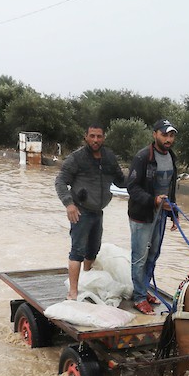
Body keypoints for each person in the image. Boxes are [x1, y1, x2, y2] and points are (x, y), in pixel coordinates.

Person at [54, 123, 125, 300]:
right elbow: (60, 181)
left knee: (93, 250)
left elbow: (121, 181)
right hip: (80, 211)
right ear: (86, 137)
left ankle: (87, 280)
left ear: (104, 138)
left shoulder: (108, 157)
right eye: (92, 136)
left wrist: (138, 178)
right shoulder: (77, 158)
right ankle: (73, 292)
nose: (95, 140)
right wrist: (69, 204)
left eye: (99, 136)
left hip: (98, 211)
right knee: (77, 251)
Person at [125, 118, 179, 314]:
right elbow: (132, 187)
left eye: (171, 135)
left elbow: (171, 187)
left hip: (162, 215)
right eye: (165, 134)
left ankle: (143, 288)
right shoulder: (142, 157)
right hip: (142, 214)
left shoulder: (171, 157)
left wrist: (174, 213)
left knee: (154, 254)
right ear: (155, 134)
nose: (168, 139)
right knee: (139, 256)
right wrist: (153, 200)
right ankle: (139, 297)